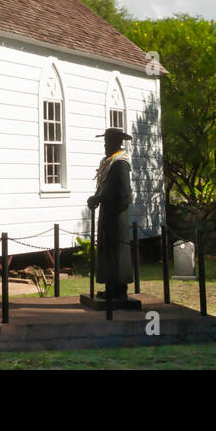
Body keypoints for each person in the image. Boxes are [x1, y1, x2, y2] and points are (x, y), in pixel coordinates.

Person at [87, 127, 134, 301]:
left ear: (115, 143)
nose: (105, 146)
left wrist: (100, 198)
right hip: (107, 212)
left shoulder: (120, 163)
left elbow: (122, 192)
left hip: (117, 214)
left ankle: (119, 288)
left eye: (107, 142)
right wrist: (97, 197)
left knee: (117, 251)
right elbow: (104, 186)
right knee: (108, 250)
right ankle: (110, 286)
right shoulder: (108, 162)